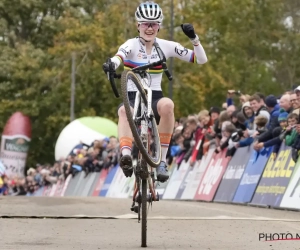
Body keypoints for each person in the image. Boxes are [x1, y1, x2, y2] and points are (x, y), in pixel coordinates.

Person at [102, 1, 208, 182]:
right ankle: (126, 155)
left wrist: (194, 39)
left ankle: (162, 161)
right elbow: (119, 57)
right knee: (122, 111)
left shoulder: (166, 46)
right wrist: (112, 64)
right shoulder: (131, 44)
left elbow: (201, 60)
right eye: (145, 24)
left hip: (154, 97)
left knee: (168, 105)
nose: (149, 28)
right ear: (138, 25)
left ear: (159, 26)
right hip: (133, 97)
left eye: (153, 24)